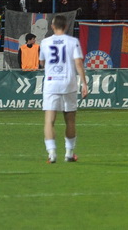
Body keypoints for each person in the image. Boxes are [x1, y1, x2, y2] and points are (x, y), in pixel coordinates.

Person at [39, 14, 88, 163]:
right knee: (70, 120)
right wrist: (84, 83)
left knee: (49, 120)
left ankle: (52, 154)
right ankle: (69, 153)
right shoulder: (72, 41)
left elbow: (42, 62)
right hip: (68, 82)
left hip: (51, 82)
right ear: (66, 26)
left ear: (52, 26)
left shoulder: (45, 42)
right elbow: (78, 63)